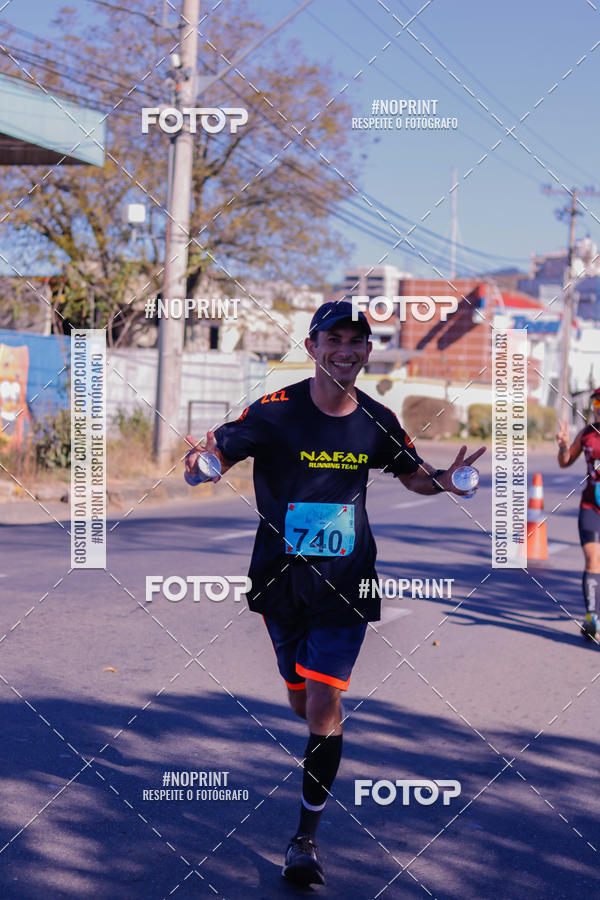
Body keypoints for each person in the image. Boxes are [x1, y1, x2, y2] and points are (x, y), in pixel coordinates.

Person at [185, 300, 486, 887]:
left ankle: (305, 839)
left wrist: (445, 482)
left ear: (367, 352)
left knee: (323, 705)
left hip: (347, 582)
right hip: (279, 578)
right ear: (313, 347)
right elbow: (215, 453)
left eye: (357, 341)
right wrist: (202, 464)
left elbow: (412, 473)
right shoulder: (275, 411)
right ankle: (303, 697)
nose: (345, 349)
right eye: (334, 339)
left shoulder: (376, 417)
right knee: (301, 699)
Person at [556, 387, 600, 641]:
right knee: (593, 560)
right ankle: (592, 618)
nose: (597, 407)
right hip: (590, 506)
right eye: (596, 402)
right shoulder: (587, 434)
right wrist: (563, 447)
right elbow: (565, 461)